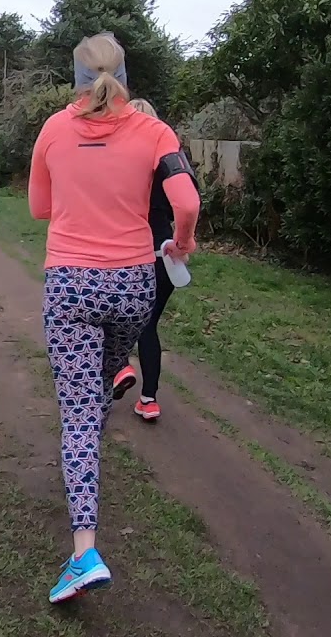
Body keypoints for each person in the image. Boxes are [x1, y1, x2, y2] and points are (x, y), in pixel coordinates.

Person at [28, 33, 200, 603]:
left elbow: (40, 208)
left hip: (71, 284)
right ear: (125, 73)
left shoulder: (53, 129)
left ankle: (84, 553)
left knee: (78, 413)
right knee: (98, 385)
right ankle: (103, 404)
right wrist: (181, 241)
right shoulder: (156, 131)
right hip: (132, 287)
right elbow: (188, 202)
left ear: (73, 76)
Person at [127, 98, 199, 422]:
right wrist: (183, 242)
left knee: (115, 321)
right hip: (164, 252)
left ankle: (114, 373)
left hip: (126, 251)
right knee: (148, 325)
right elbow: (186, 202)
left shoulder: (119, 161)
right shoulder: (168, 161)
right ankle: (149, 399)